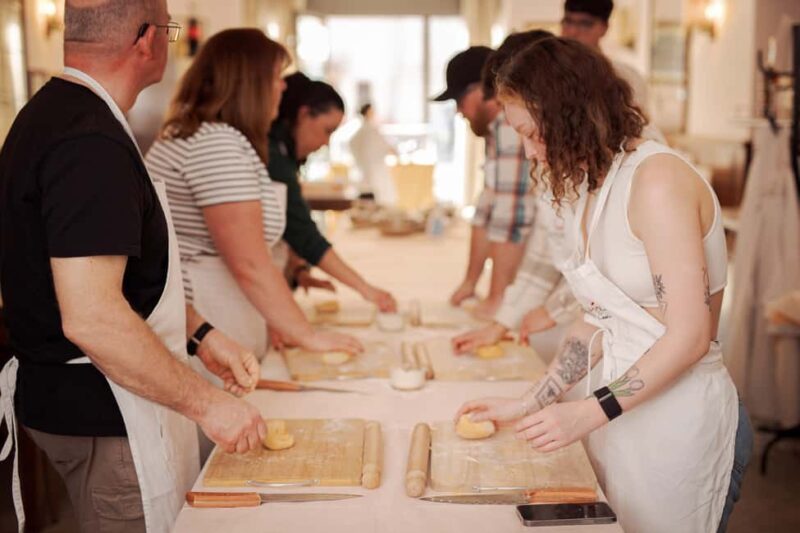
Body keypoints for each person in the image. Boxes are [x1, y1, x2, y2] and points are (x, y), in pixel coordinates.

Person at [457, 37, 753, 533]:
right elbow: (595, 314)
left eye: (533, 134)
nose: (531, 153)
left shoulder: (657, 181)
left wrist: (588, 414)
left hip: (684, 425)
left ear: (570, 113)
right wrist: (531, 401)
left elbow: (689, 335)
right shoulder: (592, 188)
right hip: (627, 418)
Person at [0, 2, 267, 531]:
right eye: (167, 29)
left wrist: (202, 334)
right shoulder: (89, 141)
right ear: (146, 39)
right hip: (105, 412)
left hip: (80, 404)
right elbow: (93, 317)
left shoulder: (57, 114)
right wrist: (208, 405)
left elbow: (121, 280)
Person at [147, 30, 362, 371]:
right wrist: (306, 334)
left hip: (221, 319)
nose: (284, 87)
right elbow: (249, 263)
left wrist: (277, 317)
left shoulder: (208, 135)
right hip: (212, 325)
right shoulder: (215, 143)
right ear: (249, 83)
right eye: (276, 77)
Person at [450, 30, 583, 354]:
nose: (529, 153)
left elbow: (513, 221)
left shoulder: (642, 172)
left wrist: (505, 302)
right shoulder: (541, 148)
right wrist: (501, 316)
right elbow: (543, 241)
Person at [268, 73, 397, 313]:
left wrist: (296, 268)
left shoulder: (282, 153)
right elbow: (304, 234)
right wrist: (365, 289)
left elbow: (288, 225)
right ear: (304, 114)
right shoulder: (271, 155)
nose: (326, 143)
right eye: (327, 131)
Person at [433, 46, 534, 319]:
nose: (459, 111)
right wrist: (470, 282)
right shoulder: (494, 129)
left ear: (483, 88)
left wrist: (496, 298)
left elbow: (510, 219)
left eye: (459, 99)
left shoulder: (508, 126)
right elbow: (486, 210)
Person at [560, 0, 649, 113]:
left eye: (585, 24)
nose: (572, 31)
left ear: (604, 28)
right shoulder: (546, 72)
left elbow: (638, 123)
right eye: (568, 21)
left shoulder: (625, 77)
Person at [349, 103, 397, 206]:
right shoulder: (370, 131)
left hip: (365, 174)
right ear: (368, 112)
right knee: (378, 202)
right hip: (374, 174)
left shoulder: (361, 132)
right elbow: (388, 148)